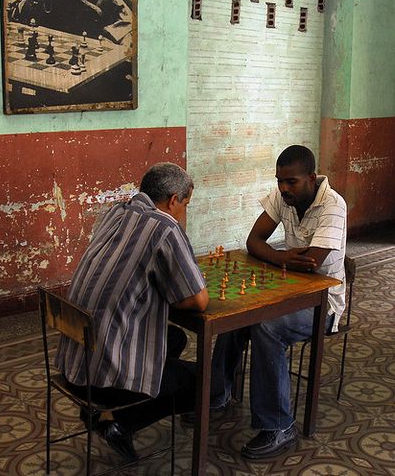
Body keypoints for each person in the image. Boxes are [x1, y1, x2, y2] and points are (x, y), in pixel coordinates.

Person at [55, 162, 214, 461]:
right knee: (210, 382)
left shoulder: (117, 211)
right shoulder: (165, 226)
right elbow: (198, 300)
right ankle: (119, 423)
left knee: (175, 339)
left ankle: (116, 407)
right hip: (101, 375)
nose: (184, 213)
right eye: (186, 205)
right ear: (172, 200)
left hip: (74, 361)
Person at [211, 145, 347, 460]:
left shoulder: (333, 205)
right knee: (239, 311)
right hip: (290, 290)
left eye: (292, 182)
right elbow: (252, 241)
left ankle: (279, 426)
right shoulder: (283, 197)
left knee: (266, 326)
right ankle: (216, 395)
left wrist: (276, 258)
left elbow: (312, 263)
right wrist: (284, 257)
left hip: (323, 302)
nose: (284, 188)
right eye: (280, 181)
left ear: (311, 178)